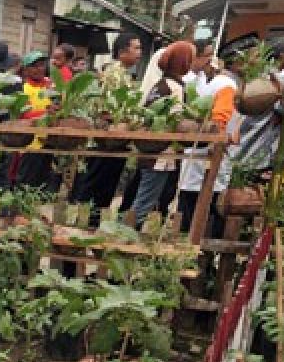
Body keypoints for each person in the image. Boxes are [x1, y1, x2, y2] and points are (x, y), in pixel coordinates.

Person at [72, 33, 143, 226]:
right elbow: (106, 109)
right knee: (96, 185)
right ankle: (83, 226)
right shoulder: (114, 73)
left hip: (116, 142)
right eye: (136, 48)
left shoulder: (124, 74)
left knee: (105, 187)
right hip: (106, 141)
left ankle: (92, 225)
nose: (140, 52)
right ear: (122, 52)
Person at [128, 41, 195, 226]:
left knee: (147, 199)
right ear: (183, 63)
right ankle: (123, 239)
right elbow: (170, 120)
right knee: (144, 202)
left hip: (158, 154)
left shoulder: (162, 84)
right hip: (160, 156)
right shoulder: (172, 87)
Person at [176, 50, 238, 234]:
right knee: (202, 212)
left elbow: (220, 120)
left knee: (194, 212)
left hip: (203, 158)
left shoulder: (212, 83)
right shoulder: (214, 83)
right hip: (205, 157)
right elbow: (220, 121)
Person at [13, 51, 56, 190]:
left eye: (42, 65)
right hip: (29, 143)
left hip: (48, 141)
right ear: (26, 69)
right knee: (26, 181)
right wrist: (45, 112)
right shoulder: (24, 88)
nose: (39, 69)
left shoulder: (50, 87)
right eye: (35, 66)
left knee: (43, 182)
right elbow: (23, 114)